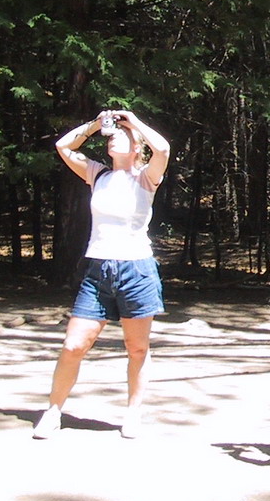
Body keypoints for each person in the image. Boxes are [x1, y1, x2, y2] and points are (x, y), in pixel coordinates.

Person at [33, 110, 171, 440]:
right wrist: (95, 124)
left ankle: (133, 412)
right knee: (73, 345)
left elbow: (163, 149)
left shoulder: (146, 177)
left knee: (137, 348)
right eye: (112, 135)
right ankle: (53, 411)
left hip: (136, 270)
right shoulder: (98, 174)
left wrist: (132, 121)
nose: (114, 138)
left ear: (137, 147)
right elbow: (63, 146)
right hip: (98, 270)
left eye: (122, 136)